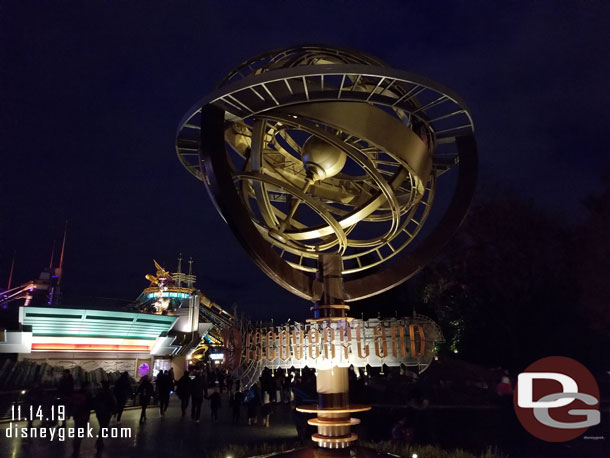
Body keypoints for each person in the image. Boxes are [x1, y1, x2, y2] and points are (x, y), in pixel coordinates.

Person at [94, 381, 117, 452]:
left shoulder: (99, 393)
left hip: (99, 413)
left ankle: (99, 441)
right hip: (106, 413)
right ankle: (99, 441)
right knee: (104, 427)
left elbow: (95, 402)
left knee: (102, 426)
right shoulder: (110, 394)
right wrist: (113, 411)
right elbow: (113, 403)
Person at [71, 381, 92, 458]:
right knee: (81, 432)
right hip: (84, 416)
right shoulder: (87, 395)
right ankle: (76, 448)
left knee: (77, 431)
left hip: (77, 416)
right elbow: (89, 405)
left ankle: (75, 449)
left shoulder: (77, 394)